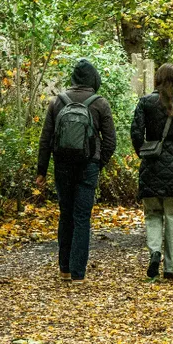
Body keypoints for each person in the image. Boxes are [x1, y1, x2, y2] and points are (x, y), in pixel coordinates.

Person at [36, 59, 117, 283]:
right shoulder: (99, 103)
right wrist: (97, 163)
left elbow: (46, 139)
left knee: (66, 214)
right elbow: (111, 141)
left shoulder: (57, 102)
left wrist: (41, 170)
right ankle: (78, 273)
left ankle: (64, 269)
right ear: (93, 79)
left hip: (62, 166)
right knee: (82, 217)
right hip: (88, 166)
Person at [130, 63, 173, 280]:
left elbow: (135, 132)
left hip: (150, 165)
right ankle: (170, 268)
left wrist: (143, 152)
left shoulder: (145, 103)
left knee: (152, 214)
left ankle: (154, 252)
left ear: (157, 80)